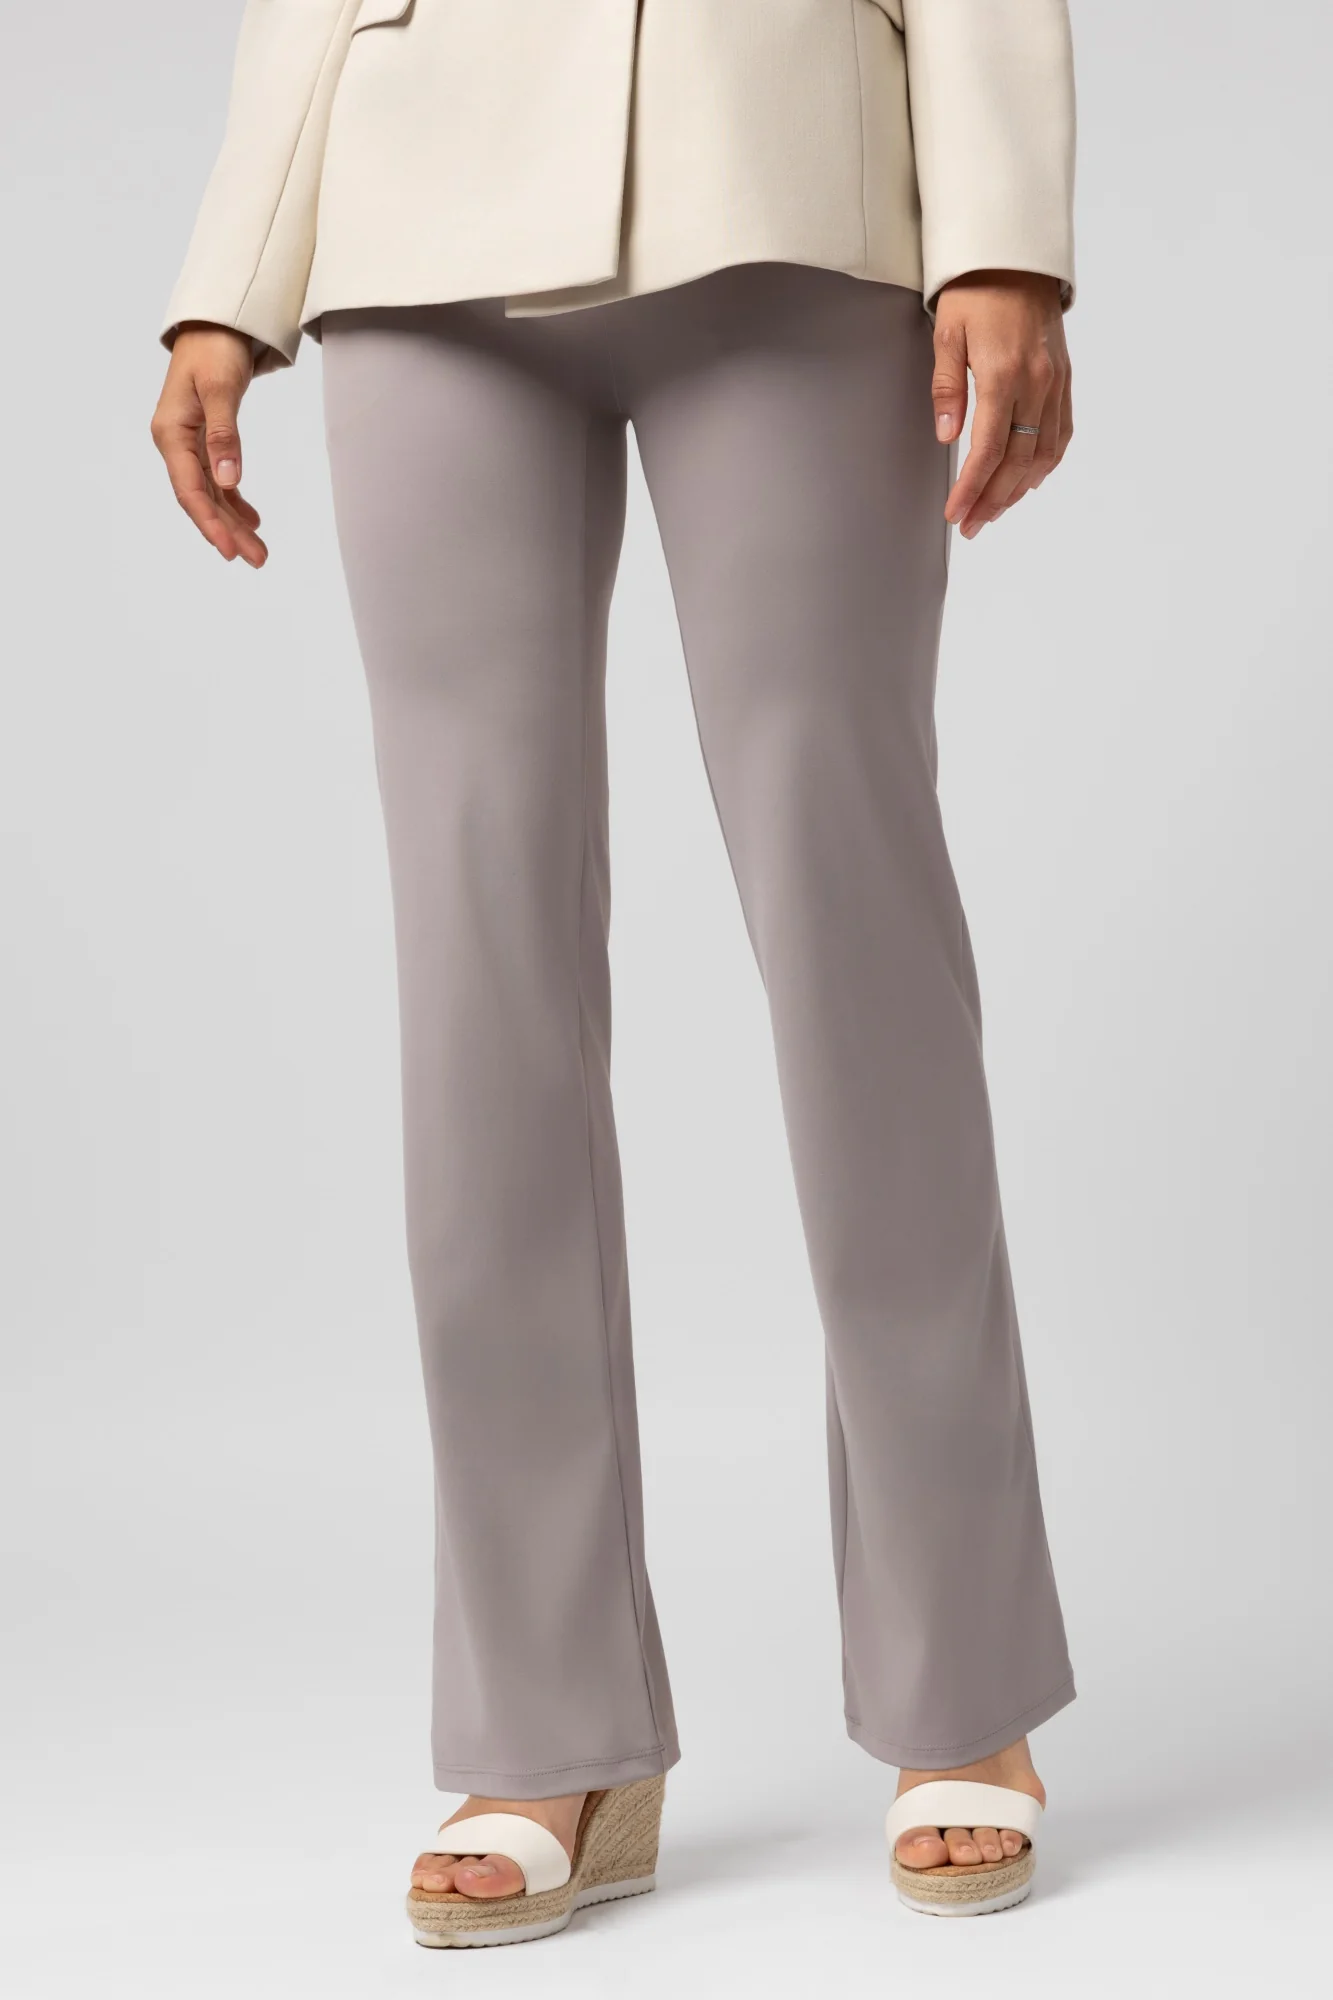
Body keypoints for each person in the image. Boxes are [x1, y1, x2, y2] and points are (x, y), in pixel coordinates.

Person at [152, 0, 1078, 1946]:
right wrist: (227, 280)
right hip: (416, 215)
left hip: (790, 180)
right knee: (471, 975)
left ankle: (961, 1685)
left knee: (853, 936)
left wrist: (1001, 232)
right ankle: (544, 1724)